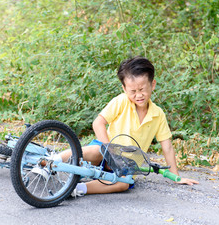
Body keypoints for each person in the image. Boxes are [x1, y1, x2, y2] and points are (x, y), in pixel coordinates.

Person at [60, 56, 199, 197]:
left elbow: (167, 146)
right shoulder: (122, 101)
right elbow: (98, 123)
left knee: (124, 183)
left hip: (126, 164)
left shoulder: (158, 114)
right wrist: (109, 150)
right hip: (106, 153)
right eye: (133, 91)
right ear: (124, 89)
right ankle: (52, 161)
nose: (139, 95)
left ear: (153, 85)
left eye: (142, 89)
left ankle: (75, 189)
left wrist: (176, 176)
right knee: (96, 150)